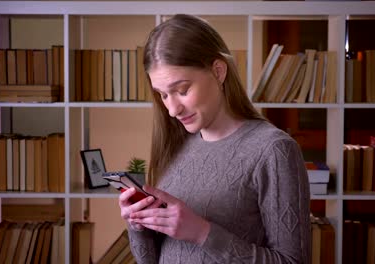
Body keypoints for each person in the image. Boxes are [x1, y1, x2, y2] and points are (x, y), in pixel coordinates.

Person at [119, 14, 311, 263]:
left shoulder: (274, 150)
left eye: (182, 90)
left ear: (218, 71)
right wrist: (138, 224)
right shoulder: (178, 144)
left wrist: (202, 233)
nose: (172, 109)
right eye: (163, 95)